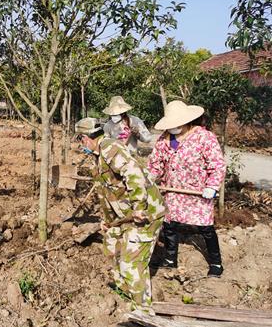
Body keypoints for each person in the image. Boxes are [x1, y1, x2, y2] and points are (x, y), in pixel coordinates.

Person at [75, 117, 166, 314]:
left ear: (85, 138)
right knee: (112, 248)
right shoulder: (98, 158)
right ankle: (128, 293)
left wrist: (139, 206)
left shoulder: (110, 148)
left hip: (145, 213)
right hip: (126, 215)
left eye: (80, 140)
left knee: (132, 263)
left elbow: (133, 173)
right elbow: (105, 193)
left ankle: (143, 311)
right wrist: (107, 222)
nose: (81, 145)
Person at [147, 100, 226, 277]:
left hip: (198, 191)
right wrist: (150, 176)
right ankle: (169, 258)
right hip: (173, 190)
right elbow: (156, 163)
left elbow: (217, 164)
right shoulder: (164, 139)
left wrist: (212, 185)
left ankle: (216, 263)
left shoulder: (204, 138)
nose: (173, 128)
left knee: (205, 228)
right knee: (169, 224)